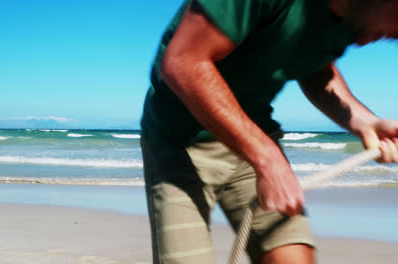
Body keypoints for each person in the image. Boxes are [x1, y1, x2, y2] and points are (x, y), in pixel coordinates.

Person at [140, 0, 398, 263]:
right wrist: (266, 159)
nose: (393, 36)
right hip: (178, 143)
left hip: (255, 134)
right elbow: (183, 62)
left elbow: (315, 69)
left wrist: (365, 122)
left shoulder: (350, 20)